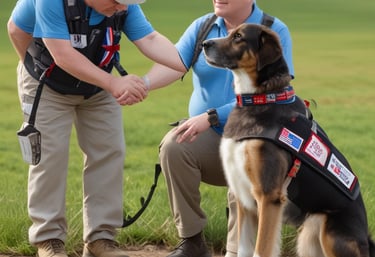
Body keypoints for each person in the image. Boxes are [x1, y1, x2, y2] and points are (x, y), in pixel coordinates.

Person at [7, 1, 186, 257]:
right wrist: (113, 83)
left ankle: (101, 240)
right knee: (49, 157)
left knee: (109, 151)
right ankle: (49, 241)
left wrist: (184, 58)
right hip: (47, 83)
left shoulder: (123, 6)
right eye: (115, 1)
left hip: (99, 85)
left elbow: (151, 38)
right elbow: (48, 47)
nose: (120, 7)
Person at [119, 0, 295, 256]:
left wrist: (213, 116)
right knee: (174, 146)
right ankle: (191, 242)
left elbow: (279, 91)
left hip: (255, 137)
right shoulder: (203, 26)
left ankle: (237, 250)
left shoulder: (272, 31)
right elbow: (175, 62)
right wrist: (143, 84)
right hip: (211, 140)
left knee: (247, 158)